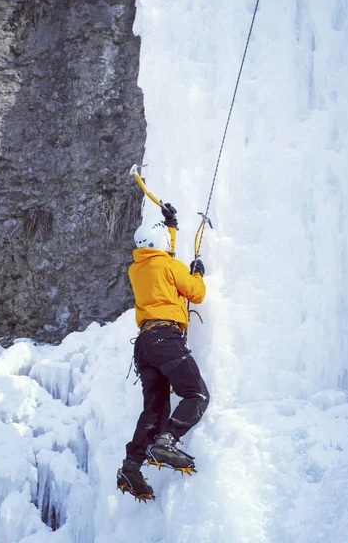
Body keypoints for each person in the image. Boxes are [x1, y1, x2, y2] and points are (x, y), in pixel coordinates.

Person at [117, 202, 210, 501]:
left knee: (155, 408)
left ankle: (131, 466)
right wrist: (197, 273)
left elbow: (163, 252)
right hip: (166, 338)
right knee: (196, 394)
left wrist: (170, 224)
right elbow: (196, 293)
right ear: (160, 245)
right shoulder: (170, 265)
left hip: (144, 346)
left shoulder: (137, 268)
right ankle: (166, 441)